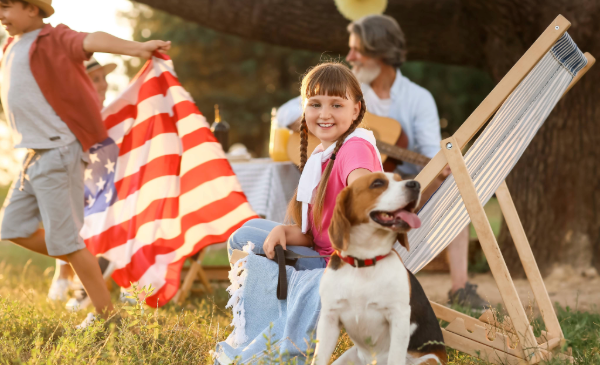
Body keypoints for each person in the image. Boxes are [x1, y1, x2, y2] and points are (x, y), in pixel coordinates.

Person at [276, 15, 488, 308]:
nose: (350, 57)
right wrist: (328, 113)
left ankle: (460, 285)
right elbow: (288, 112)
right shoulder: (349, 89)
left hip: (407, 186)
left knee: (452, 184)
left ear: (381, 51)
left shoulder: (418, 98)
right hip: (351, 189)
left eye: (357, 49)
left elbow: (428, 152)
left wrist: (440, 168)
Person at [0, 0, 170, 327]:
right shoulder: (12, 44)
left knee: (66, 240)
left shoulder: (52, 39)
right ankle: (88, 257)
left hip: (58, 151)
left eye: (7, 7)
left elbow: (91, 39)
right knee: (13, 228)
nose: (1, 15)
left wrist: (137, 48)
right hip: (31, 154)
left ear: (32, 9)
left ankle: (108, 318)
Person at [47, 57, 118, 307]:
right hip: (82, 180)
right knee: (71, 214)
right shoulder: (73, 113)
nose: (104, 85)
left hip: (107, 186)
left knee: (105, 215)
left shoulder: (113, 113)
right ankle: (66, 275)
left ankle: (88, 284)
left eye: (104, 78)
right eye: (96, 79)